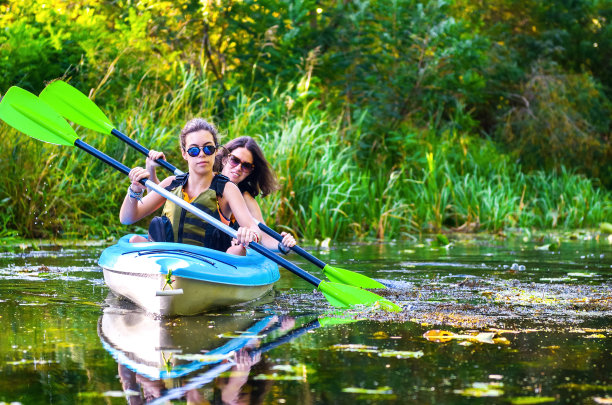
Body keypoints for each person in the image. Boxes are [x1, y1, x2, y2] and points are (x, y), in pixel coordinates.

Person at [120, 118, 261, 252]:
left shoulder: (227, 189)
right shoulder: (171, 183)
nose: (201, 154)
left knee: (237, 251)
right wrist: (135, 189)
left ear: (216, 151)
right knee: (135, 240)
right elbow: (127, 218)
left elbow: (255, 230)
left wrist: (249, 234)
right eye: (194, 150)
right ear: (184, 154)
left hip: (209, 265)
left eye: (208, 149)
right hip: (168, 259)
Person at [146, 136, 296, 255]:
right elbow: (153, 201)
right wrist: (151, 169)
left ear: (251, 171)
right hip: (184, 248)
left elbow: (262, 234)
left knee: (237, 250)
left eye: (246, 166)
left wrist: (281, 245)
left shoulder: (245, 198)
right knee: (136, 239)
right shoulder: (201, 180)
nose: (238, 168)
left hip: (219, 254)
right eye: (235, 160)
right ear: (224, 159)